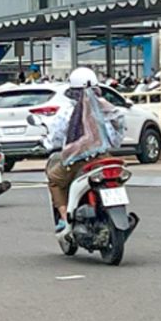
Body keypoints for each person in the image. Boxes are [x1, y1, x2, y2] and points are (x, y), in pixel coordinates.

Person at [43, 66, 125, 233]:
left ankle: (64, 217)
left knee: (54, 180)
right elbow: (116, 137)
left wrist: (48, 143)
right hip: (104, 158)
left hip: (78, 161)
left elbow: (56, 137)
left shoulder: (67, 112)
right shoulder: (106, 109)